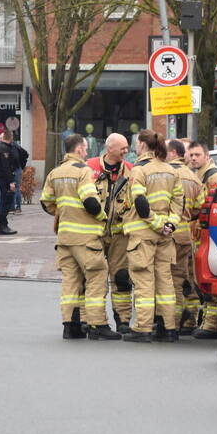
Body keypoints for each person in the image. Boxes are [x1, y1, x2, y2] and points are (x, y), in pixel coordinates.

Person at [40, 133, 121, 340]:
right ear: (78, 150)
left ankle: (70, 326)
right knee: (97, 277)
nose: (86, 152)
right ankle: (97, 325)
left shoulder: (55, 172)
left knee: (70, 282)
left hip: (64, 238)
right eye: (85, 148)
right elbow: (90, 202)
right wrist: (103, 218)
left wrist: (62, 212)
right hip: (85, 239)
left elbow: (46, 201)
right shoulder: (83, 171)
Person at [121, 129, 183, 342]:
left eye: (137, 144)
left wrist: (157, 224)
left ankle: (143, 328)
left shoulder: (140, 170)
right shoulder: (171, 170)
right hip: (165, 236)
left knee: (144, 281)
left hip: (143, 236)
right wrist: (169, 226)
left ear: (143, 145)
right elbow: (178, 203)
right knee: (165, 281)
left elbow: (140, 203)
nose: (135, 148)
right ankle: (169, 328)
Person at [87, 133, 134, 332]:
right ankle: (90, 321)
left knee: (122, 277)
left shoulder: (130, 171)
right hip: (94, 233)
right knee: (92, 277)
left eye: (127, 147)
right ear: (109, 149)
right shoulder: (90, 168)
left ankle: (123, 320)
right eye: (122, 148)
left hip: (120, 234)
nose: (126, 151)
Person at [167, 139, 206, 335]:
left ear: (173, 153)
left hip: (164, 234)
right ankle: (180, 322)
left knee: (164, 280)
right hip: (184, 235)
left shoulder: (164, 174)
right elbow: (199, 207)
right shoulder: (194, 178)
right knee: (181, 279)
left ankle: (167, 324)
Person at [186, 141, 217, 339]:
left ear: (207, 156)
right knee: (199, 278)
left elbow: (209, 207)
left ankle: (212, 324)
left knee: (209, 277)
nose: (193, 158)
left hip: (206, 233)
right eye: (191, 155)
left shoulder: (213, 176)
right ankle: (206, 320)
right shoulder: (199, 175)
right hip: (199, 234)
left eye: (197, 154)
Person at [0, 129, 18, 234]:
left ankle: (3, 225)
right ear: (11, 138)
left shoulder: (2, 147)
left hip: (2, 178)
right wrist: (11, 182)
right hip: (5, 179)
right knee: (5, 201)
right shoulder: (4, 149)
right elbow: (6, 167)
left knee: (5, 200)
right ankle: (3, 226)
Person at [11, 138, 29, 213]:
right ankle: (17, 207)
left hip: (14, 169)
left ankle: (15, 207)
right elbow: (26, 154)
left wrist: (15, 166)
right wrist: (22, 165)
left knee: (14, 188)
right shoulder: (17, 146)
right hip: (18, 169)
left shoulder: (12, 147)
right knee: (16, 187)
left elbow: (15, 157)